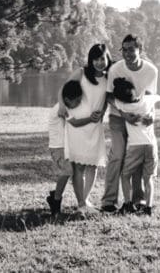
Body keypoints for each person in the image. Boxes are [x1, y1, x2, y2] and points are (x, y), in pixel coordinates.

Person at [101, 34, 158, 213]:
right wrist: (124, 113)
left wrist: (151, 117)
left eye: (131, 49)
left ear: (139, 50)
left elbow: (150, 97)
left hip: (140, 118)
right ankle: (109, 201)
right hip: (119, 117)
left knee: (138, 158)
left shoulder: (151, 71)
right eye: (124, 50)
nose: (127, 53)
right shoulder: (115, 69)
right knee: (118, 155)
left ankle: (138, 200)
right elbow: (109, 95)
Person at [58, 43, 111, 212]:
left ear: (107, 58)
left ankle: (86, 200)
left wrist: (102, 113)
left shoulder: (109, 77)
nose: (99, 62)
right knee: (79, 166)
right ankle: (81, 203)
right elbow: (63, 89)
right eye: (95, 59)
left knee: (93, 164)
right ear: (91, 60)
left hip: (95, 125)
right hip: (78, 126)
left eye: (102, 58)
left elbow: (106, 99)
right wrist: (61, 106)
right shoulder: (81, 72)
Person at [111, 78, 160, 215]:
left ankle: (128, 203)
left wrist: (123, 114)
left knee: (125, 175)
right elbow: (157, 96)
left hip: (135, 147)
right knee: (149, 177)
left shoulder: (123, 106)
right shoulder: (147, 101)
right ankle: (148, 207)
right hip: (151, 145)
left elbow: (109, 98)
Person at [45, 82, 82, 215]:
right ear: (67, 100)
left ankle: (55, 196)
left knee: (68, 172)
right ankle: (55, 200)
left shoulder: (64, 106)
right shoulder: (61, 109)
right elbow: (75, 123)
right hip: (58, 147)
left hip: (64, 147)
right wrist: (91, 118)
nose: (78, 104)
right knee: (67, 172)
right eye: (77, 101)